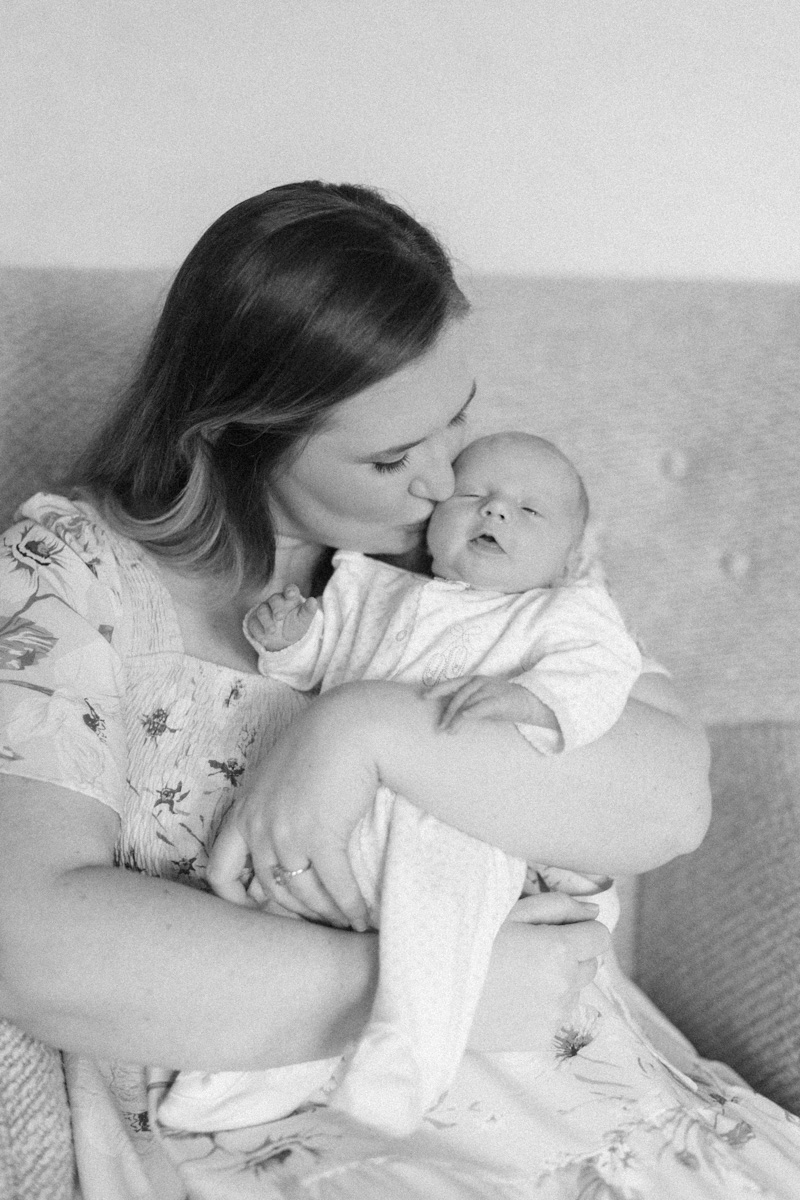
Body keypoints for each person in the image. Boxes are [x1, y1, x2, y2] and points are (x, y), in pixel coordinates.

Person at [0, 181, 795, 1199]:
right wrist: (433, 989)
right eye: (387, 456)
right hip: (313, 1126)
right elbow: (33, 943)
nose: (437, 481)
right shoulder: (70, 575)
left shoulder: (478, 537)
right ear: (238, 430)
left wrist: (367, 728)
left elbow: (665, 802)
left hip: (591, 1096)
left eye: (451, 422)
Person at [160, 430, 642, 1138]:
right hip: (341, 815)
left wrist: (536, 703)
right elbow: (320, 664)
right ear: (434, 525)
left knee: (436, 932)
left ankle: (405, 1061)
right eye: (476, 497)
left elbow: (605, 675)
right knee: (290, 919)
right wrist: (290, 638)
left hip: (462, 820)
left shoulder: (562, 614)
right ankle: (239, 1077)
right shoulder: (375, 590)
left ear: (569, 557)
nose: (496, 514)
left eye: (529, 511)